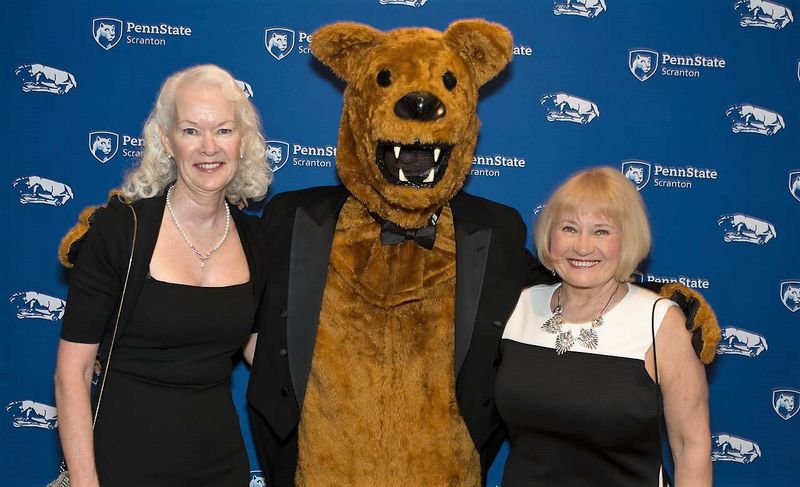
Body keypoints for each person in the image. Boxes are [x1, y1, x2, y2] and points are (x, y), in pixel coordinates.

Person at [54, 64, 270, 487]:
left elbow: (262, 353)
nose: (209, 147)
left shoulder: (258, 240)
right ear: (168, 142)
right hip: (120, 465)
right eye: (191, 131)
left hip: (219, 467)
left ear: (243, 141)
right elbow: (72, 373)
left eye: (223, 130)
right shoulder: (119, 232)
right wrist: (84, 481)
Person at [495, 167, 712, 486]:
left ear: (628, 240)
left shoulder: (661, 321)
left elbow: (690, 447)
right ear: (549, 236)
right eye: (569, 228)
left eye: (601, 231)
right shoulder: (519, 306)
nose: (582, 247)